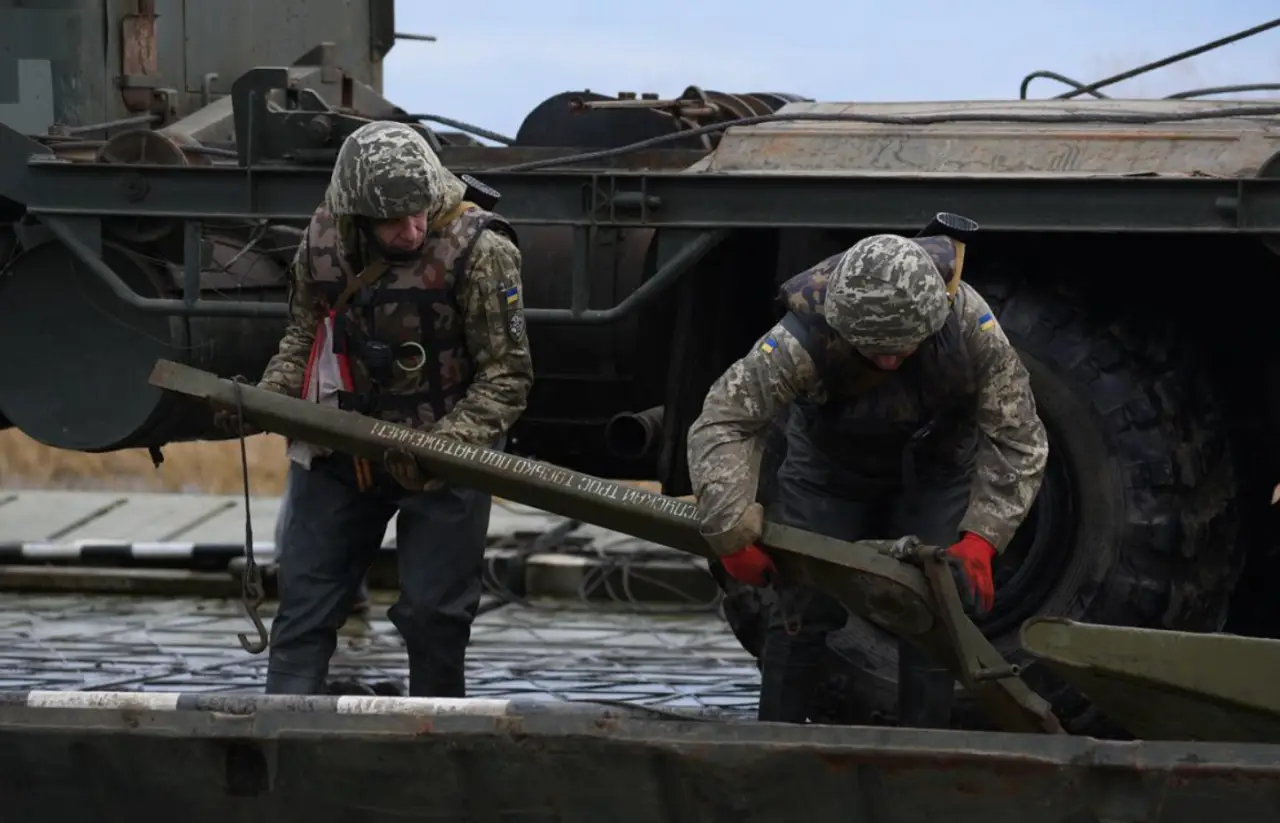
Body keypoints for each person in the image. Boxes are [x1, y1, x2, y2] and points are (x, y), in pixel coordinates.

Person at [686, 231, 1048, 726]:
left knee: (936, 607)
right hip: (829, 470)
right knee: (801, 606)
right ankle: (774, 741)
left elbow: (1018, 435)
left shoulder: (971, 326)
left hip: (937, 467)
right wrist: (728, 529)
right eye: (872, 351)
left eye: (900, 350)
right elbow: (725, 420)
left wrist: (984, 534)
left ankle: (923, 757)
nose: (887, 362)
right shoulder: (800, 338)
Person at [226, 120, 533, 697]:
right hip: (346, 450)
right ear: (358, 216)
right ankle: (282, 744)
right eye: (394, 221)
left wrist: (442, 447)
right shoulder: (324, 242)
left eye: (420, 213)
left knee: (434, 618)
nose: (413, 230)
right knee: (303, 609)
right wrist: (269, 398)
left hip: (445, 459)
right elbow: (302, 334)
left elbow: (506, 377)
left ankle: (435, 746)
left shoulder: (482, 251)